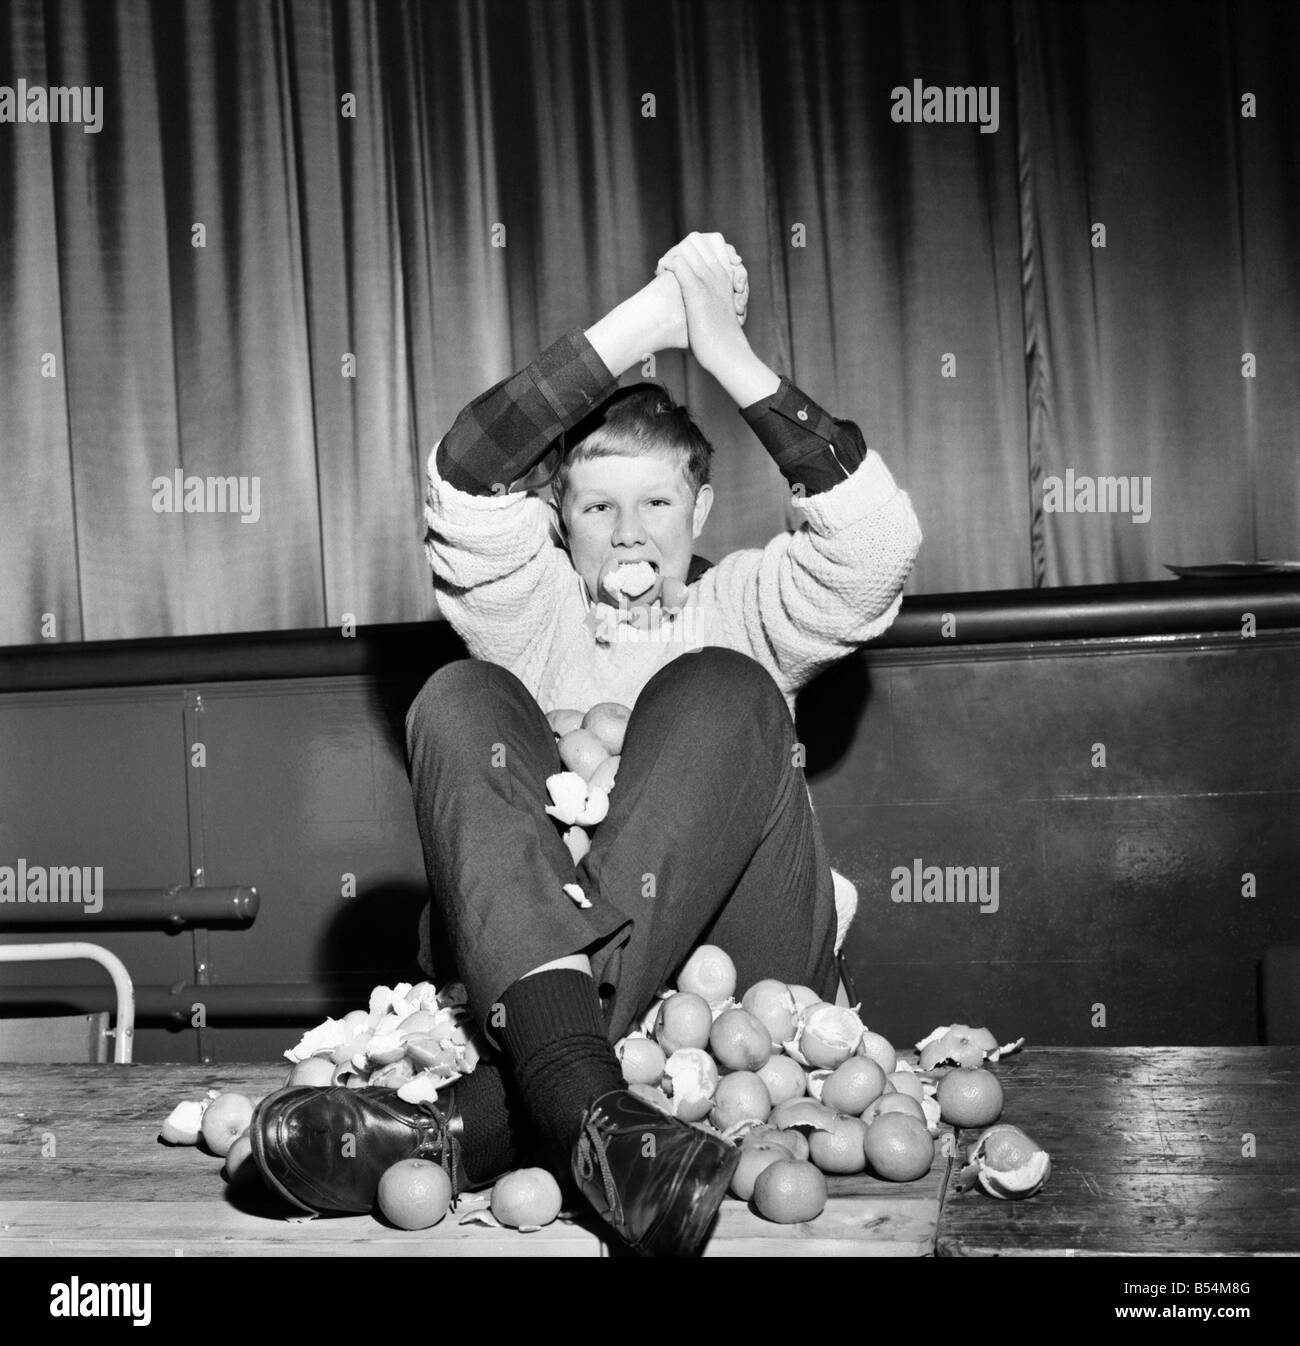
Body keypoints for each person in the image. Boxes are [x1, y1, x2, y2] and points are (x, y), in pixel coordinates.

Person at [250, 233, 922, 1256]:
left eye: (656, 502)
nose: (629, 531)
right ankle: (598, 1121)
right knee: (460, 694)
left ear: (699, 509)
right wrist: (643, 328)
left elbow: (874, 551)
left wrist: (722, 350)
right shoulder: (538, 616)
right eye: (597, 505)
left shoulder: (741, 602)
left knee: (722, 687)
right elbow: (466, 478)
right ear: (559, 518)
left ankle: (487, 1114)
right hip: (552, 982)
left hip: (745, 980)